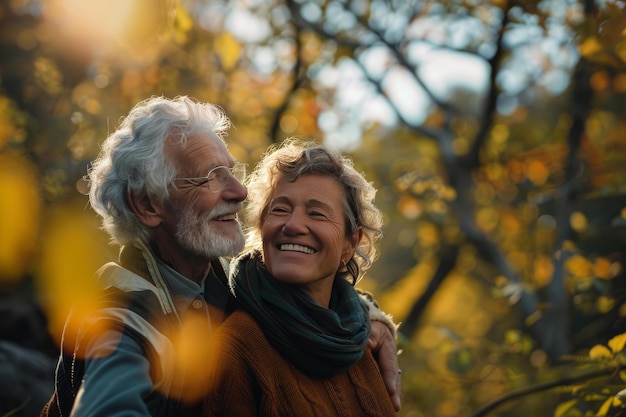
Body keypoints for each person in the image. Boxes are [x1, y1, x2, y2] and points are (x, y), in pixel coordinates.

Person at [41, 96, 401, 417]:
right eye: (211, 177)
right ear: (149, 204)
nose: (240, 191)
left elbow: (305, 289)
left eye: (232, 170)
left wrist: (369, 315)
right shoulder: (119, 322)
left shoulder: (225, 281)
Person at [203, 140, 399, 416]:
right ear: (261, 229)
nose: (293, 225)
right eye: (280, 209)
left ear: (350, 243)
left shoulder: (362, 338)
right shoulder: (238, 347)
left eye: (317, 214)